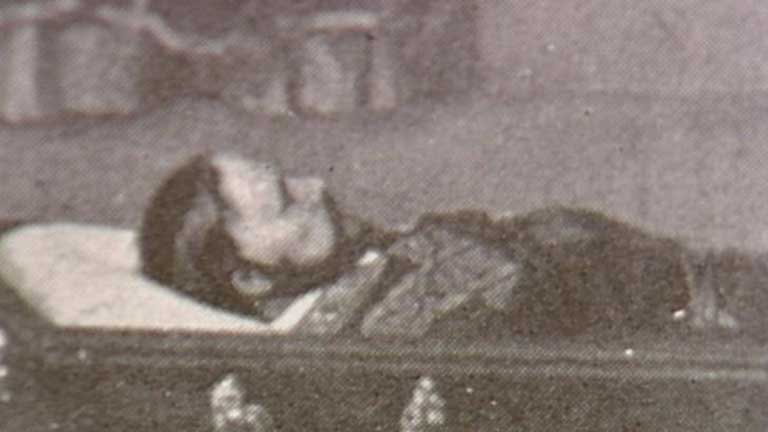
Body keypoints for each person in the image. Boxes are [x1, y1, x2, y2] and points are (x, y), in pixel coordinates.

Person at [139, 152, 729, 341]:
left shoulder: (370, 265)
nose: (316, 185)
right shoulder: (380, 340)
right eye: (288, 201)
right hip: (709, 327)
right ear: (250, 278)